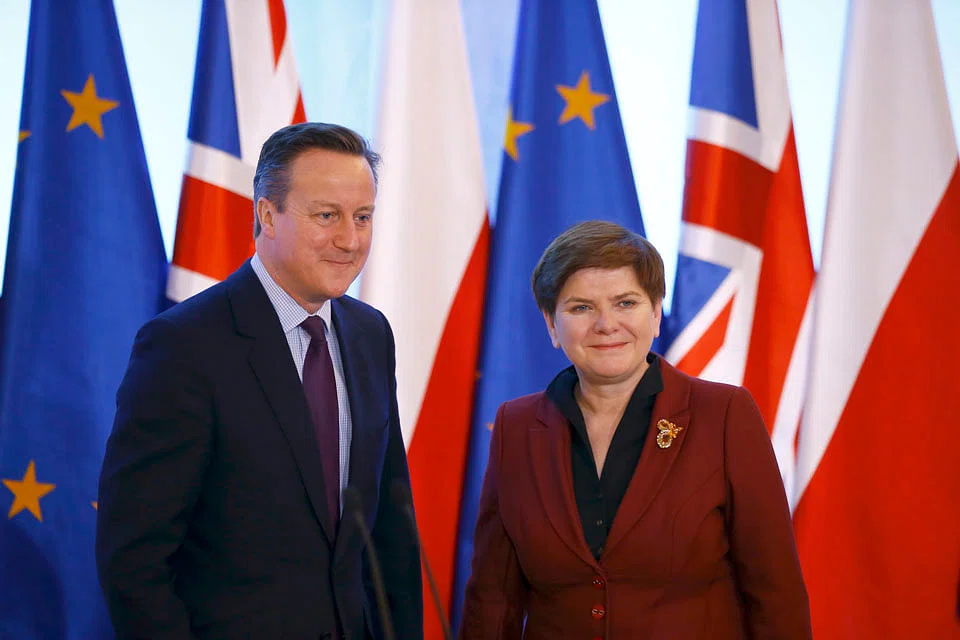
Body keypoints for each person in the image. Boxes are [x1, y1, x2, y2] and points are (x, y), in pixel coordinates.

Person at [96, 123, 423, 640]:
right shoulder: (184, 346)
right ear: (268, 215)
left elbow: (389, 531)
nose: (350, 240)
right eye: (327, 216)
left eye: (362, 217)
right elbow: (135, 559)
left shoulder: (371, 334)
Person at [459, 221, 811, 639]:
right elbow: (492, 601)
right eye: (581, 308)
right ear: (552, 324)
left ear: (656, 313)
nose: (606, 324)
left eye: (625, 303)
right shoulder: (516, 427)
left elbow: (775, 593)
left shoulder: (724, 416)